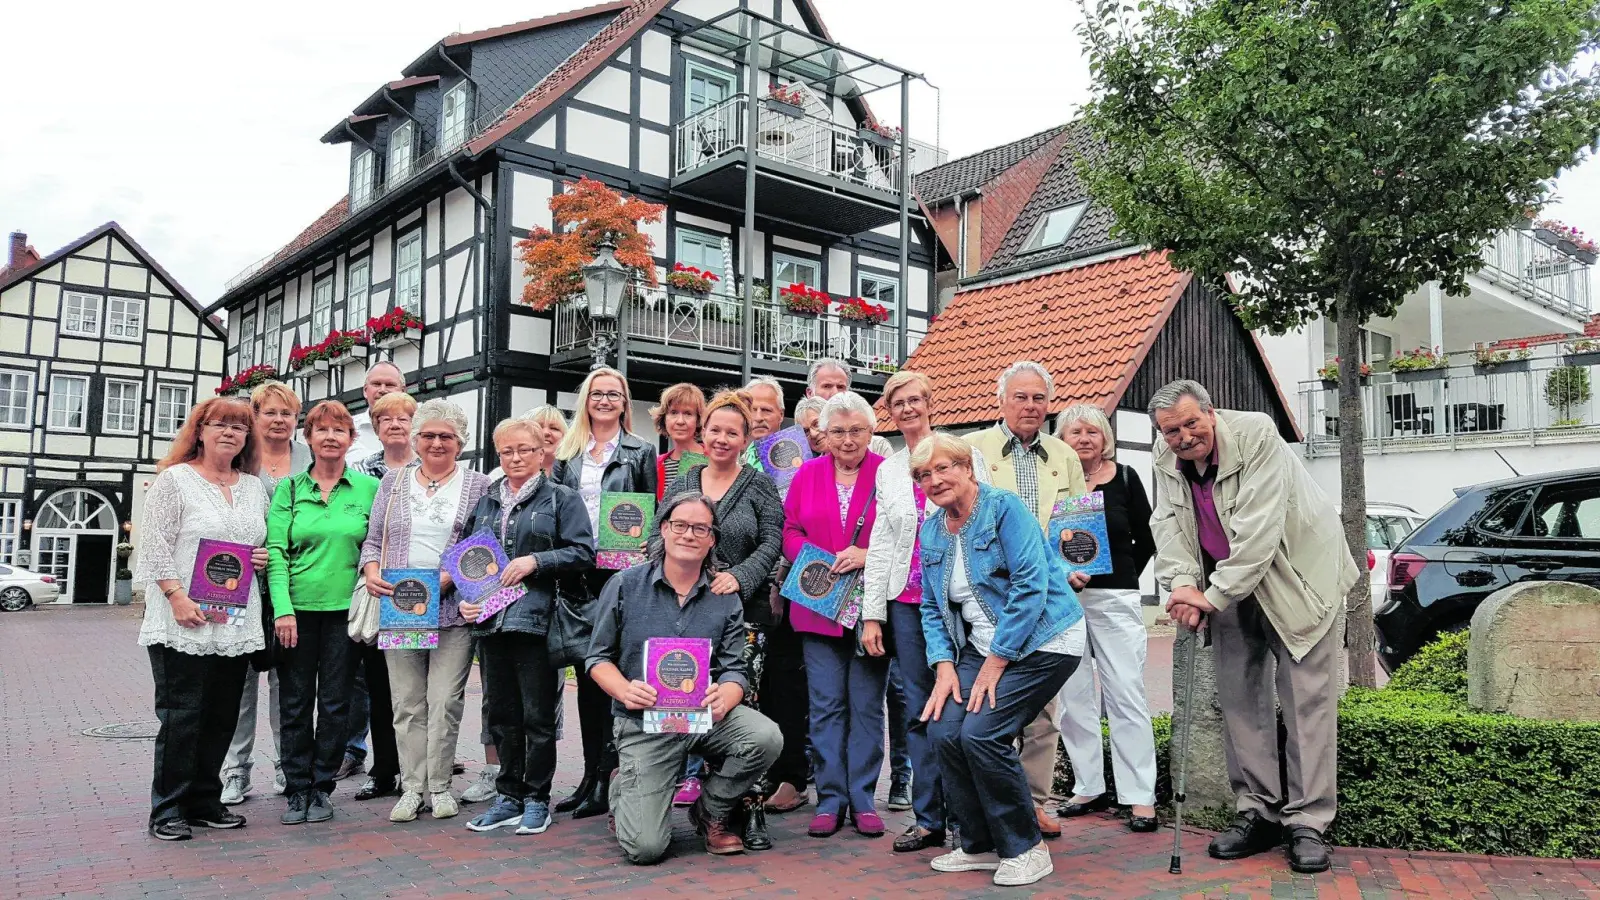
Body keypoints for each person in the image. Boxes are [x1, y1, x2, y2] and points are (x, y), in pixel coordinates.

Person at [1148, 380, 1357, 874]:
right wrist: (1181, 585)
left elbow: (1258, 532)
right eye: (1171, 430)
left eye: (1191, 424)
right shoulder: (1164, 453)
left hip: (1298, 580)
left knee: (1305, 702)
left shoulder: (1259, 435)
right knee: (1240, 700)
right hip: (1227, 583)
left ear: (1211, 412)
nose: (1182, 437)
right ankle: (1257, 811)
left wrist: (1210, 595)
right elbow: (1169, 526)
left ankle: (1307, 821)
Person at [914, 432, 1085, 887]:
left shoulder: (1004, 508)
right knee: (945, 730)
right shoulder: (931, 530)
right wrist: (944, 665)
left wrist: (997, 659)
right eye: (924, 475)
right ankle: (978, 843)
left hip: (1045, 639)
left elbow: (1032, 586)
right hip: (981, 645)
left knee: (982, 735)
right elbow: (932, 606)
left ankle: (1025, 847)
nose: (935, 480)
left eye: (944, 467)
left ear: (967, 467)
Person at [587, 492, 783, 863]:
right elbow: (597, 657)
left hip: (702, 717)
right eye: (680, 525)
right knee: (646, 849)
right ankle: (624, 787)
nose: (688, 535)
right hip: (644, 720)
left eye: (700, 528)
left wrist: (727, 694)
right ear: (663, 529)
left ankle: (710, 808)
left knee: (765, 737)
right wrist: (625, 690)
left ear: (711, 539)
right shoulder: (625, 584)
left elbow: (734, 668)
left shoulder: (724, 596)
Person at [862, 371, 993, 853]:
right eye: (900, 402)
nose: (909, 408)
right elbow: (880, 543)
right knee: (920, 709)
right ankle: (928, 817)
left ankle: (967, 817)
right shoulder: (888, 468)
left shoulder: (964, 454)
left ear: (929, 403)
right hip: (909, 601)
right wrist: (872, 612)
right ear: (890, 411)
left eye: (916, 399)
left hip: (959, 598)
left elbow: (987, 516)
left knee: (965, 704)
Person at [136, 397, 270, 841]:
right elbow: (153, 545)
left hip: (234, 619)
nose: (230, 432)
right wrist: (175, 597)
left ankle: (206, 800)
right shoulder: (175, 480)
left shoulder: (253, 487)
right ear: (200, 430)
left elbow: (257, 543)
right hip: (183, 619)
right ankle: (168, 807)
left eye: (239, 427)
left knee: (221, 715)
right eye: (220, 424)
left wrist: (264, 557)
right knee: (182, 715)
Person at [965, 360, 1087, 839]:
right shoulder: (975, 448)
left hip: (1048, 597)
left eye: (1038, 398)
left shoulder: (1063, 454)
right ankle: (990, 802)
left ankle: (1034, 802)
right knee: (991, 702)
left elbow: (1075, 524)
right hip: (993, 594)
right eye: (1021, 397)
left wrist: (1077, 568)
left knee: (1043, 711)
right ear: (1002, 400)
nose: (1030, 406)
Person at [659, 390, 785, 849]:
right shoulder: (686, 479)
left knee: (740, 706)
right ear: (702, 431)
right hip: (687, 614)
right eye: (715, 429)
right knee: (688, 699)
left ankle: (749, 811)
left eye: (733, 432)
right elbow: (663, 530)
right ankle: (686, 801)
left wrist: (740, 576)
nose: (722, 438)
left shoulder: (759, 484)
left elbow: (773, 541)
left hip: (743, 613)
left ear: (746, 437)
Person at [460, 418, 595, 835]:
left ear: (542, 453)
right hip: (492, 620)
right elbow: (469, 558)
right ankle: (508, 795)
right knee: (501, 713)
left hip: (539, 619)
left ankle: (537, 798)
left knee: (537, 715)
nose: (515, 458)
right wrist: (466, 599)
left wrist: (536, 561)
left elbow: (583, 552)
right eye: (506, 451)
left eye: (524, 449)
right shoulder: (486, 501)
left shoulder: (562, 498)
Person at [358, 400, 490, 823]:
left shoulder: (478, 486)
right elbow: (373, 540)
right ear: (415, 439)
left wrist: (446, 581)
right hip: (400, 609)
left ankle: (440, 786)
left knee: (444, 701)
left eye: (446, 437)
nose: (436, 443)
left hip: (451, 609)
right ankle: (411, 786)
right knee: (407, 703)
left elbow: (484, 546)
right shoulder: (393, 483)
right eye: (428, 435)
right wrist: (373, 570)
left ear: (460, 443)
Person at [268, 400, 382, 826]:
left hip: (346, 614)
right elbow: (277, 552)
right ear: (308, 438)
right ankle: (296, 788)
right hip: (296, 612)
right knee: (295, 702)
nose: (331, 437)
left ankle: (322, 787)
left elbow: (378, 545)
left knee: (336, 703)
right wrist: (283, 610)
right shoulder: (290, 489)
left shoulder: (369, 489)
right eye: (322, 430)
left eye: (340, 430)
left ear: (351, 440)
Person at [550, 366, 657, 819]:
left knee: (612, 678)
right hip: (576, 576)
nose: (606, 400)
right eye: (598, 393)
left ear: (625, 402)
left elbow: (653, 518)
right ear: (586, 399)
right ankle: (590, 775)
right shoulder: (566, 453)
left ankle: (608, 776)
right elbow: (554, 509)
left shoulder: (641, 451)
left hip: (619, 577)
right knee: (585, 680)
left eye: (615, 394)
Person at [781, 391, 889, 838]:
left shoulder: (889, 475)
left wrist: (866, 553)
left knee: (866, 706)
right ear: (823, 435)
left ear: (871, 432)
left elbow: (905, 534)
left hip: (871, 610)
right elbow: (789, 528)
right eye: (838, 431)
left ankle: (862, 796)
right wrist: (813, 560)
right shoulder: (806, 473)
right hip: (819, 607)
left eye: (857, 430)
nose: (847, 440)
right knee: (825, 706)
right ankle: (830, 797)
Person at [1049, 405, 1159, 831]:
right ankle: (1087, 785)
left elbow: (1147, 537)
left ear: (1105, 438)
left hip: (1114, 598)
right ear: (1062, 438)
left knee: (1126, 693)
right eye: (1074, 431)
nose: (1084, 438)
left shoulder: (1126, 478)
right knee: (1074, 697)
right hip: (1064, 599)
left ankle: (1140, 796)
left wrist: (1121, 573)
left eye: (1093, 431)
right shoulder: (1058, 481)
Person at [221, 382, 311, 806]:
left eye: (287, 414)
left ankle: (285, 761)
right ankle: (235, 770)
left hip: (295, 585)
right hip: (240, 584)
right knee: (238, 682)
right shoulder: (239, 459)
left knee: (287, 681)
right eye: (270, 412)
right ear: (254, 416)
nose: (279, 420)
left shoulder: (310, 459)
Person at [345, 389, 416, 804]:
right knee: (378, 687)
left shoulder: (430, 467)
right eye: (385, 420)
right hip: (380, 589)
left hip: (423, 593)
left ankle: (417, 771)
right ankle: (384, 769)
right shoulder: (361, 472)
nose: (394, 426)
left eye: (402, 419)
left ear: (413, 424)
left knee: (415, 690)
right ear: (376, 427)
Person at [806, 358, 893, 456]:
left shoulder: (877, 447)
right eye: (827, 386)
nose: (835, 393)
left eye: (840, 387)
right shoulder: (799, 450)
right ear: (810, 393)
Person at [346, 361, 406, 463]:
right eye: (376, 384)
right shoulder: (346, 428)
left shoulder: (418, 429)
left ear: (403, 391)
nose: (382, 390)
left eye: (390, 385)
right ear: (365, 391)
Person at [652, 383, 706, 493]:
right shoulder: (656, 464)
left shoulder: (714, 458)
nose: (680, 421)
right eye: (673, 412)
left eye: (688, 413)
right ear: (664, 418)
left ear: (698, 420)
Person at [742, 376, 785, 469]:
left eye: (766, 410)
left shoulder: (799, 455)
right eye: (752, 410)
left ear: (781, 415)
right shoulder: (737, 462)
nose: (758, 417)